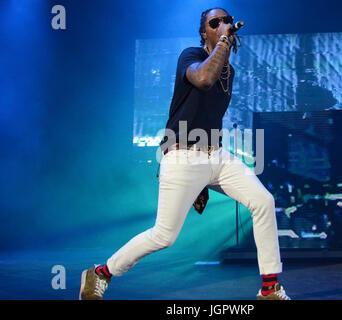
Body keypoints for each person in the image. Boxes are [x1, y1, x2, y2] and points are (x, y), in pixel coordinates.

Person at [79, 7, 290, 301]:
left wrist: (205, 178)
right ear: (205, 32)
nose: (224, 25)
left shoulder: (229, 71)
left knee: (263, 201)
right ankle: (101, 273)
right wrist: (224, 42)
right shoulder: (191, 56)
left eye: (227, 20)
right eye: (215, 23)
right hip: (183, 155)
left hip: (216, 154)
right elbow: (203, 79)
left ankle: (270, 289)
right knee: (164, 236)